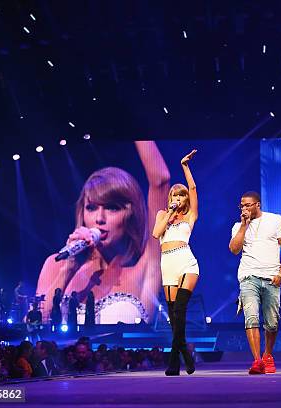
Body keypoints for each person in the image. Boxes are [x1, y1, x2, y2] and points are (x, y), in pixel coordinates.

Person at [36, 141, 170, 324]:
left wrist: (137, 121)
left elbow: (161, 181)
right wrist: (67, 271)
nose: (99, 218)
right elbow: (34, 326)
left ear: (131, 214)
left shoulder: (147, 266)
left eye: (112, 208)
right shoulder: (56, 264)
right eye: (91, 208)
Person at [229, 191, 281, 374]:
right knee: (251, 316)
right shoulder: (238, 226)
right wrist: (243, 226)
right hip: (248, 277)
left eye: (248, 205)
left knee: (272, 322)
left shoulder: (275, 220)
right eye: (241, 206)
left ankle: (268, 355)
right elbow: (234, 249)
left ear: (257, 205)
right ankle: (257, 361)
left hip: (272, 277)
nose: (244, 208)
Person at [152, 150, 199, 376]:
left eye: (180, 196)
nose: (177, 199)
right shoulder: (163, 214)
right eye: (174, 196)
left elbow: (193, 189)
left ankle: (174, 362)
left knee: (180, 308)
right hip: (167, 263)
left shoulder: (190, 216)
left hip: (186, 262)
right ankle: (185, 354)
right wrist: (169, 216)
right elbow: (155, 234)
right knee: (173, 315)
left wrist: (185, 167)